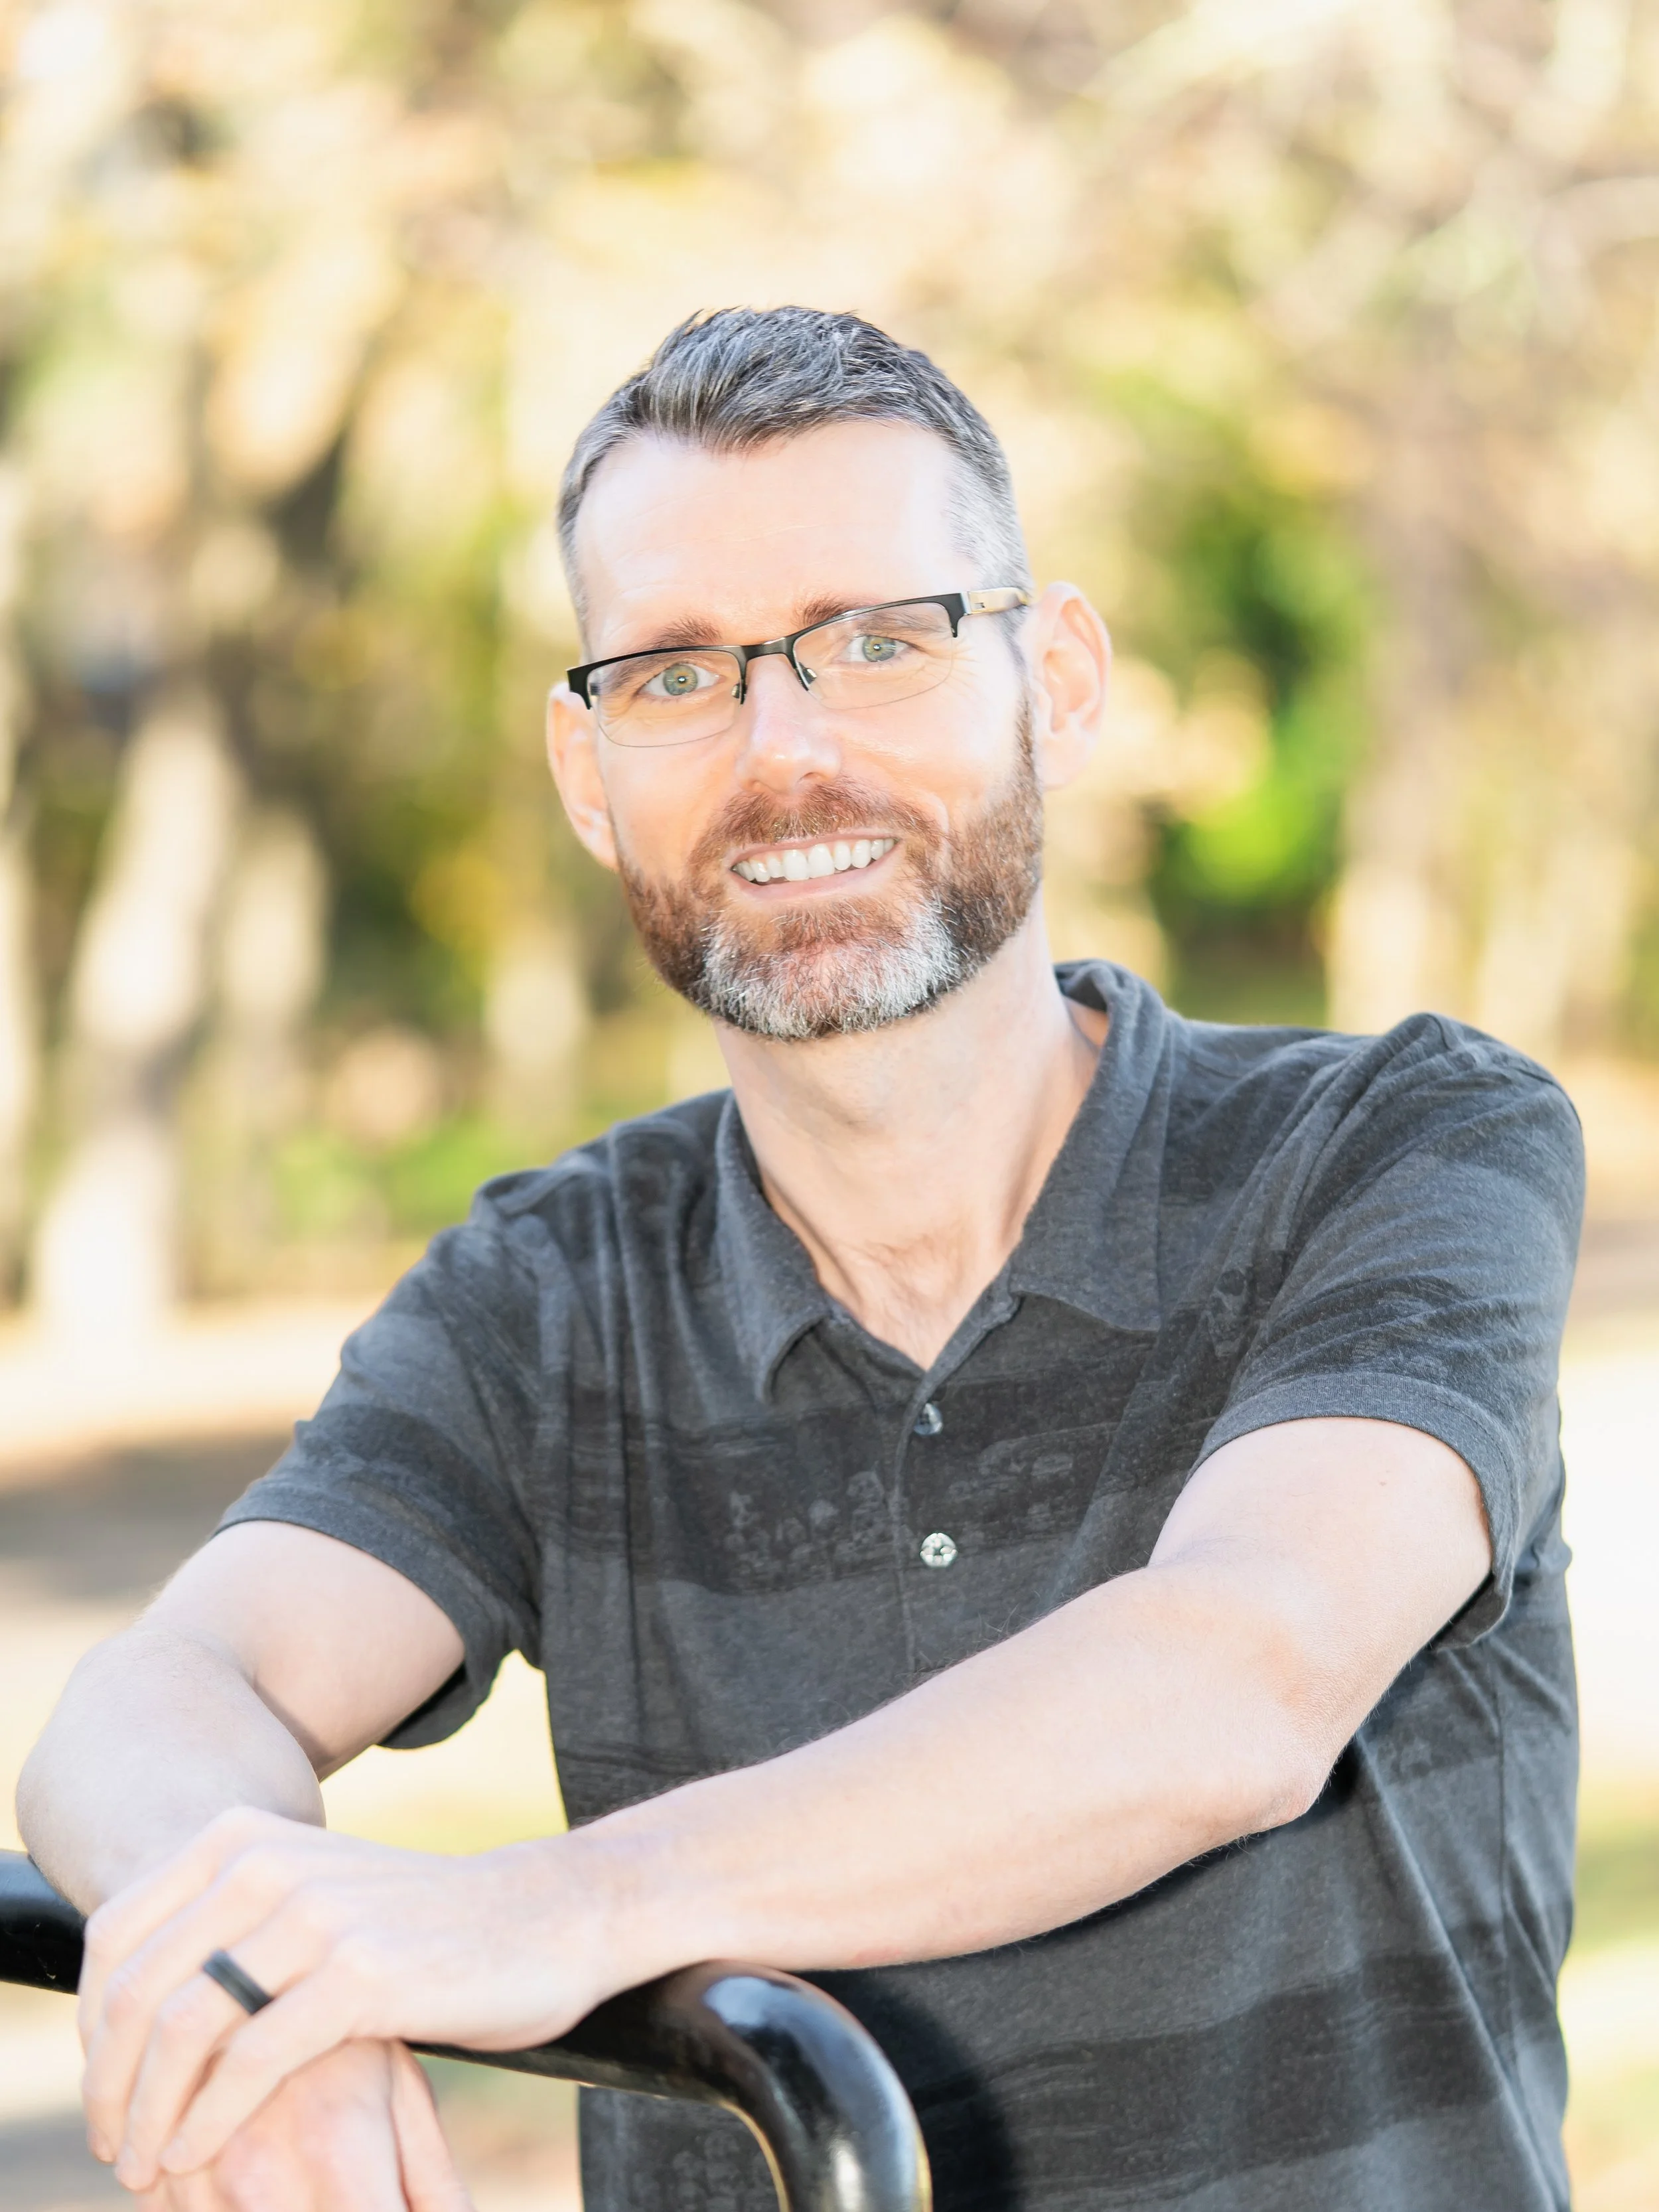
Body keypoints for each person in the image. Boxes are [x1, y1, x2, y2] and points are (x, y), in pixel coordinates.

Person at [19, 306, 1582, 2212]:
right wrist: (259, 1979)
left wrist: (533, 1912)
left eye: (876, 640)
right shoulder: (552, 1287)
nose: (787, 748)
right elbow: (161, 1693)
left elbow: (1233, 1679)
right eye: (673, 675)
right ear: (589, 769)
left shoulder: (1396, 1143)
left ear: (1057, 681)